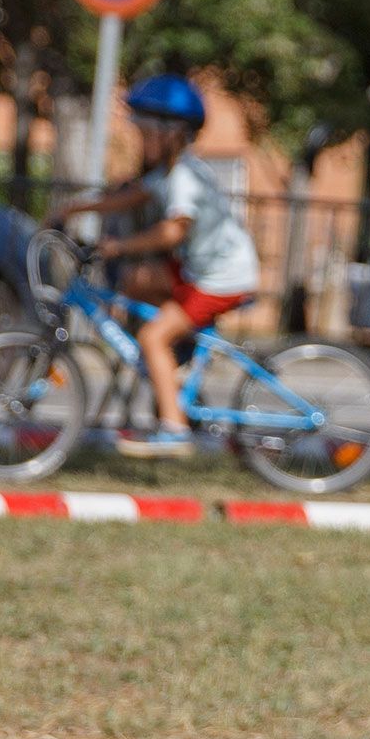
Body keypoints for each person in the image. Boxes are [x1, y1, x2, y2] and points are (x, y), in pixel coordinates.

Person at [49, 75, 260, 458]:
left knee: (152, 337)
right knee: (136, 281)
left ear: (171, 134)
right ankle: (176, 365)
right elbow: (129, 197)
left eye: (145, 131)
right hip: (200, 271)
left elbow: (172, 232)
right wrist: (74, 208)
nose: (139, 139)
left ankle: (174, 427)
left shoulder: (183, 178)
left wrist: (118, 246)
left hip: (220, 278)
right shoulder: (169, 173)